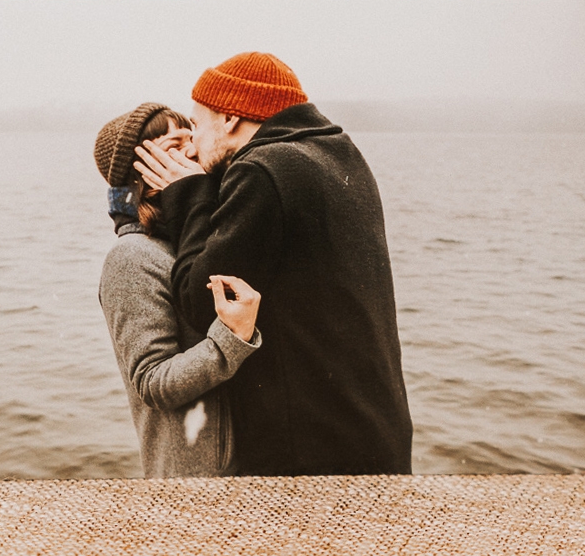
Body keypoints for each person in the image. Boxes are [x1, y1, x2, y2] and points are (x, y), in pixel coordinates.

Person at [133, 52, 413, 476]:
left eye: (196, 124)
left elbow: (202, 302)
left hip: (312, 450)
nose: (191, 145)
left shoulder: (263, 170)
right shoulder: (340, 154)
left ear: (229, 118)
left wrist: (189, 195)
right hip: (376, 430)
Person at [94, 102, 262, 478]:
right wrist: (233, 338)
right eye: (174, 146)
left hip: (249, 468)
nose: (193, 150)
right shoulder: (132, 256)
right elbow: (152, 382)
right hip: (197, 481)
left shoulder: (199, 241)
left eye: (192, 138)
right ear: (141, 174)